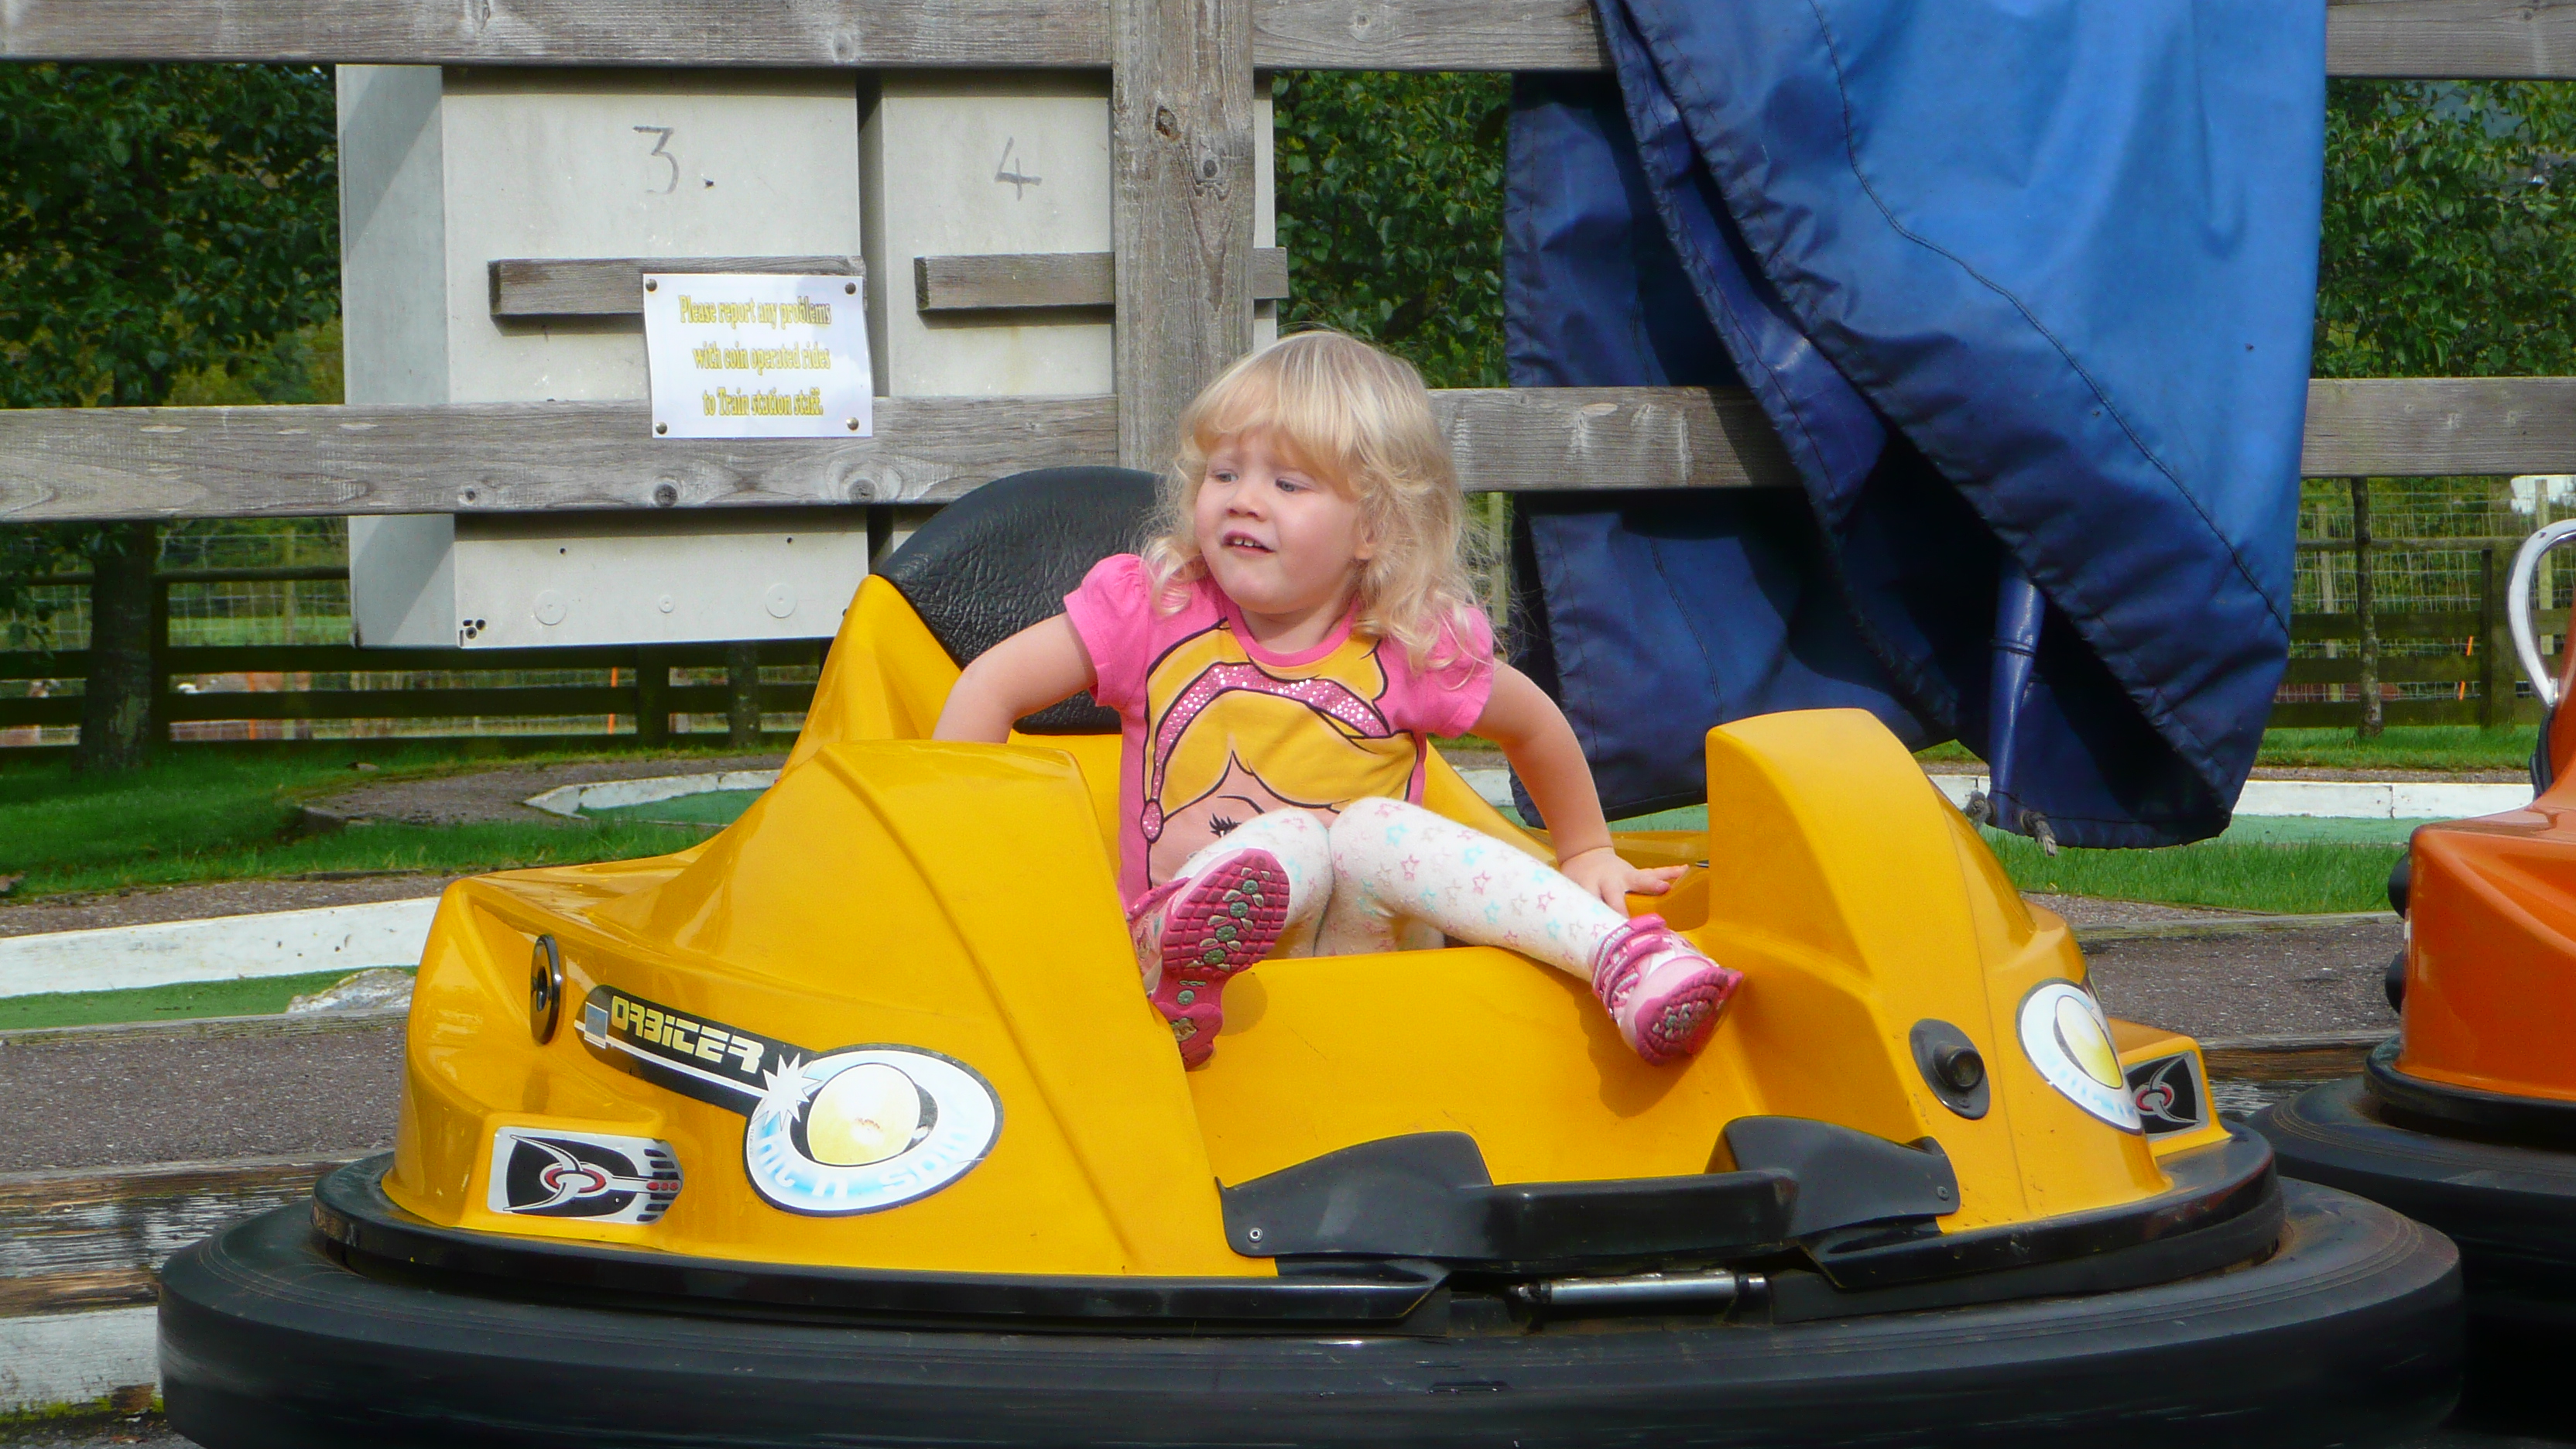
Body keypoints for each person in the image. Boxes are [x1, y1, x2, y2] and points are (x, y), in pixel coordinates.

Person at [934, 330, 1740, 1067]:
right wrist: (958, 866)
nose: (1244, 498)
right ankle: (1176, 949)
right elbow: (990, 686)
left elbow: (1531, 724)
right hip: (1174, 982)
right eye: (1224, 473)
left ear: (1373, 529)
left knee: (1367, 832)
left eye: (1287, 482)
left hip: (1363, 978)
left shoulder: (1405, 642)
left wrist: (1587, 849)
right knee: (1287, 841)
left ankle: (1619, 958)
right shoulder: (1156, 608)